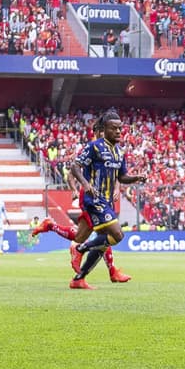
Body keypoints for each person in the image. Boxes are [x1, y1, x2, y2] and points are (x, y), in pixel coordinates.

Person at [64, 110, 147, 289]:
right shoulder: (94, 147)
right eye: (113, 128)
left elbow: (122, 177)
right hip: (94, 199)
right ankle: (80, 248)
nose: (118, 132)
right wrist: (85, 184)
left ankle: (78, 279)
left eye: (120, 128)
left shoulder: (119, 152)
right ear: (104, 129)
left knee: (102, 242)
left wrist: (136, 178)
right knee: (117, 235)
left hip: (107, 201)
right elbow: (75, 167)